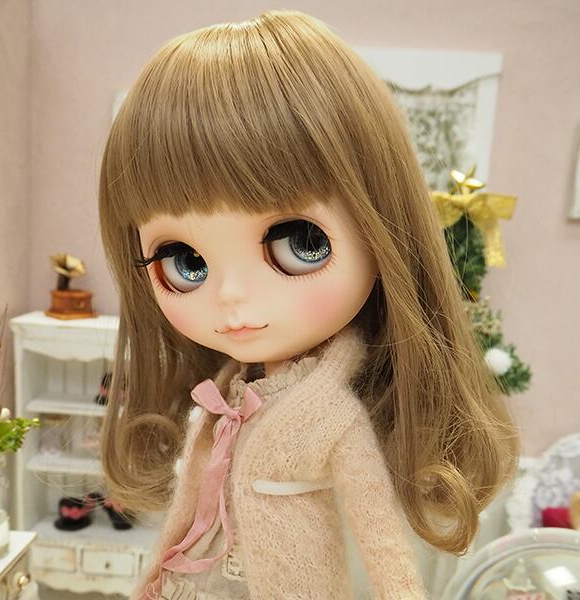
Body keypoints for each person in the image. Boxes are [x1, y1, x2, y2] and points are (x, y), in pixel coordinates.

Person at [97, 9, 520, 599]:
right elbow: (187, 513)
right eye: (184, 261)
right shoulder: (225, 396)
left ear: (381, 229)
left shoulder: (333, 417)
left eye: (300, 243)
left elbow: (380, 537)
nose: (232, 296)